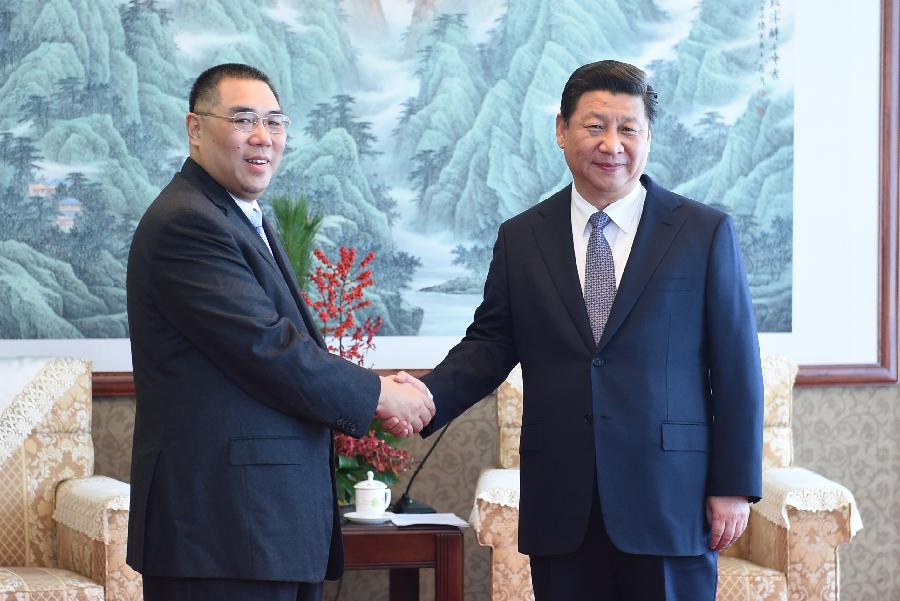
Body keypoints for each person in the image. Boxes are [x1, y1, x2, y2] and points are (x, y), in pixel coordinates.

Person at [398, 60, 764, 600]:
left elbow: (737, 367)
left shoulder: (701, 232)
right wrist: (426, 395)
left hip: (669, 499)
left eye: (628, 128)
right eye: (595, 126)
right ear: (562, 131)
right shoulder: (522, 237)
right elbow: (491, 344)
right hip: (563, 503)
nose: (611, 144)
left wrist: (733, 486)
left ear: (648, 137)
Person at [126, 63, 434, 601]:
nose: (263, 137)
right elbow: (268, 350)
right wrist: (380, 394)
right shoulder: (188, 222)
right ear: (194, 128)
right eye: (243, 119)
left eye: (275, 121)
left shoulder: (241, 215)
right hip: (221, 531)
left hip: (261, 527)